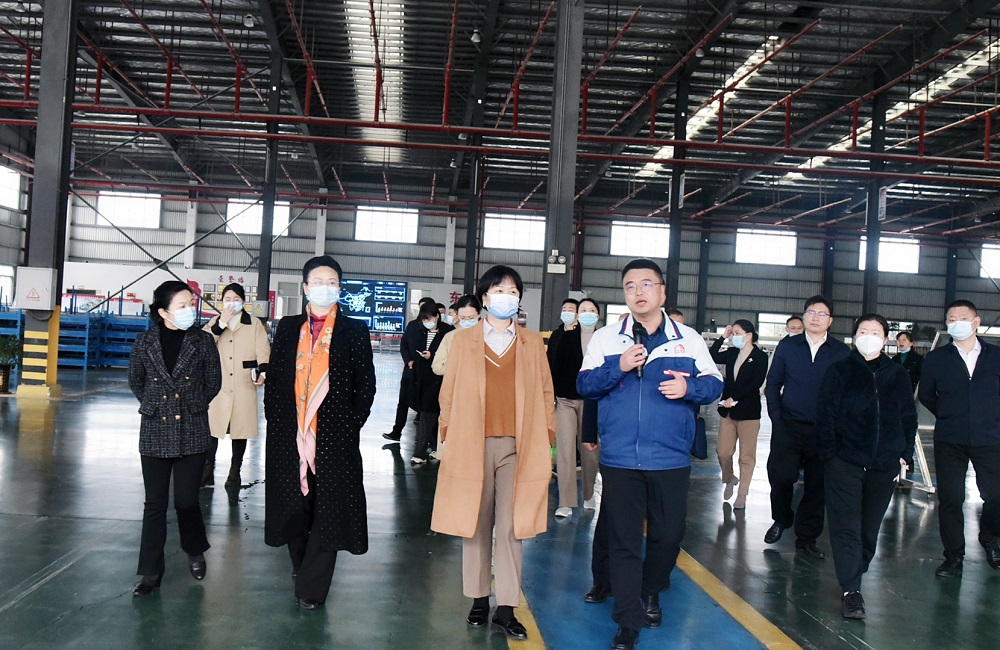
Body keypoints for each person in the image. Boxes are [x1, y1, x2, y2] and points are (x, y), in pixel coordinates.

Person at [577, 258, 723, 650]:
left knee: (668, 535)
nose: (638, 292)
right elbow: (585, 384)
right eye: (630, 286)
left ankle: (651, 589)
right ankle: (628, 620)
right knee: (623, 541)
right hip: (621, 459)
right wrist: (620, 367)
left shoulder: (687, 339)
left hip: (670, 459)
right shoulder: (607, 339)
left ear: (662, 291)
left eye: (646, 284)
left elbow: (714, 383)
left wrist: (689, 389)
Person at [431, 265, 555, 641]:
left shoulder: (531, 344)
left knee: (513, 526)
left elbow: (546, 392)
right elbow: (449, 391)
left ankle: (506, 608)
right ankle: (479, 599)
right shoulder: (463, 342)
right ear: (485, 297)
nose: (507, 297)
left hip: (518, 446)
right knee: (476, 523)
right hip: (472, 443)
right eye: (500, 291)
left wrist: (547, 435)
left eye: (513, 292)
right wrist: (447, 434)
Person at [264, 255, 376, 609]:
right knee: (295, 506)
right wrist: (277, 421)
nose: (325, 288)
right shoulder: (288, 327)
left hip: (335, 436)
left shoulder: (353, 330)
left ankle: (312, 589)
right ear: (305, 287)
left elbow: (366, 385)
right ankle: (303, 569)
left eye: (332, 282)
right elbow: (275, 379)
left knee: (330, 510)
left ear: (340, 288)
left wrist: (350, 425)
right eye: (318, 282)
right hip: (290, 433)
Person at [816, 314, 916, 620]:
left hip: (884, 463)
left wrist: (904, 453)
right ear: (854, 336)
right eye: (863, 331)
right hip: (845, 461)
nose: (868, 337)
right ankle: (851, 591)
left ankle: (855, 572)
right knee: (846, 525)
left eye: (875, 332)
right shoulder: (839, 371)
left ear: (884, 339)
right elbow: (825, 415)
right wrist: (830, 455)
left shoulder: (897, 374)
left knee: (869, 529)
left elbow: (908, 416)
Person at [127, 280, 222, 596]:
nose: (189, 310)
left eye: (191, 304)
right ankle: (151, 572)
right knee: (154, 504)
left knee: (185, 501)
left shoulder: (202, 341)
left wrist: (192, 405)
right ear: (163, 311)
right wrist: (155, 404)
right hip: (155, 428)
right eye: (182, 305)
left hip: (191, 427)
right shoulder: (144, 341)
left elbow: (213, 382)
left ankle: (194, 549)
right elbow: (135, 380)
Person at [918, 299, 1000, 577]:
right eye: (951, 319)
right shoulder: (936, 359)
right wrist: (949, 414)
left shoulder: (996, 356)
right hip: (950, 439)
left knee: (996, 495)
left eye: (962, 318)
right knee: (951, 499)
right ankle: (953, 556)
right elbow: (926, 394)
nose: (956, 323)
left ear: (976, 322)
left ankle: (990, 537)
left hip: (990, 437)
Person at [763, 296, 850, 558]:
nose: (815, 317)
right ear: (804, 316)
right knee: (781, 476)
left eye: (822, 314)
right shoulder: (788, 346)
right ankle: (781, 518)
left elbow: (846, 391)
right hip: (788, 425)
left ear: (830, 321)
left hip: (824, 430)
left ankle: (807, 538)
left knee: (817, 485)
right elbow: (773, 384)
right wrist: (777, 417)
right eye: (811, 312)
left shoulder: (841, 352)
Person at [202, 283, 270, 488]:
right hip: (218, 385)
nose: (232, 303)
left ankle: (235, 471)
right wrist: (221, 324)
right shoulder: (214, 322)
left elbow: (263, 349)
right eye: (228, 299)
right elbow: (203, 345)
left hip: (244, 383)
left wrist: (264, 371)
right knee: (212, 429)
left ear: (243, 301)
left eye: (236, 299)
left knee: (241, 430)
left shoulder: (254, 323)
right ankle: (207, 470)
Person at [548, 298, 602, 517]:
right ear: (578, 316)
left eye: (592, 310)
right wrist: (552, 396)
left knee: (590, 451)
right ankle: (566, 501)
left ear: (598, 315)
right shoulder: (567, 337)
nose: (587, 313)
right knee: (565, 450)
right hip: (565, 400)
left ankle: (588, 494)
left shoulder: (603, 339)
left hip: (592, 402)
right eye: (583, 310)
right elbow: (555, 367)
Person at [710, 319, 768, 510]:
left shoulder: (760, 356)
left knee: (746, 456)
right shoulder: (732, 352)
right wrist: (722, 337)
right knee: (723, 452)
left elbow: (756, 382)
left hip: (748, 412)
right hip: (727, 411)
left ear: (748, 335)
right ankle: (729, 478)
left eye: (736, 333)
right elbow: (711, 356)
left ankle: (742, 493)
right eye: (732, 333)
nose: (733, 336)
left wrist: (734, 397)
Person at [383, 296, 435, 442]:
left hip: (429, 373)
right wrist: (408, 361)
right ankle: (396, 431)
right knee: (403, 402)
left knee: (425, 405)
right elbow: (404, 344)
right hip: (411, 370)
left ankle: (427, 438)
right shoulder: (413, 326)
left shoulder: (441, 330)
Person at [410, 301, 454, 464]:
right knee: (428, 415)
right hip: (423, 378)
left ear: (437, 316)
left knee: (431, 415)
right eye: (424, 319)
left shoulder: (448, 332)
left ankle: (423, 451)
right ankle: (431, 448)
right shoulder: (420, 332)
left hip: (441, 378)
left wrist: (432, 354)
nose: (426, 322)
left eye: (429, 319)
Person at [432, 294, 482, 377]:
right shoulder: (451, 336)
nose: (467, 321)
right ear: (458, 315)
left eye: (471, 318)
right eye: (462, 317)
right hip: (457, 381)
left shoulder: (488, 334)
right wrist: (457, 364)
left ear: (479, 313)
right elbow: (437, 367)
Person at [546, 298, 579, 371]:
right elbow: (549, 357)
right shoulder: (556, 334)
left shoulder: (581, 334)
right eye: (564, 310)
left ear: (577, 314)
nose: (566, 313)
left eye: (570, 310)